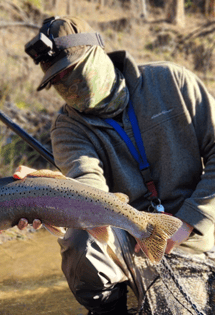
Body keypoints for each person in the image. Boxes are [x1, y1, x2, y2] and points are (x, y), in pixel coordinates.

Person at [18, 16, 215, 314]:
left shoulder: (172, 81)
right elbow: (88, 186)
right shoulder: (67, 128)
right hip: (128, 238)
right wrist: (48, 193)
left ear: (97, 54)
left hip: (196, 231)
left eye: (71, 71)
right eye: (56, 81)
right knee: (78, 237)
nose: (66, 85)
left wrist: (189, 221)